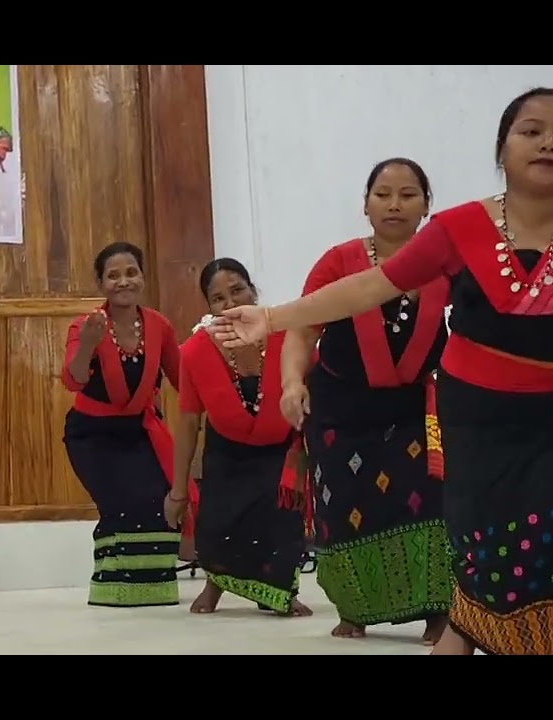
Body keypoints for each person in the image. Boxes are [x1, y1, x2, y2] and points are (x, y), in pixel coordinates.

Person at [213, 87, 553, 656]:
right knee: (487, 546)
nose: (547, 143)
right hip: (480, 421)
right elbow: (371, 286)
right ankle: (464, 631)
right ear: (501, 149)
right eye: (531, 130)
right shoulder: (460, 228)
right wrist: (271, 318)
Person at [277, 158, 454, 644]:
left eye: (408, 193)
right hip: (342, 411)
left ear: (426, 205)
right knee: (345, 508)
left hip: (415, 412)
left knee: (431, 505)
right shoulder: (338, 262)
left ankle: (438, 612)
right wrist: (292, 384)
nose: (395, 204)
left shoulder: (446, 264)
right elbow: (300, 330)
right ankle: (355, 609)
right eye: (383, 193)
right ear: (366, 204)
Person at [170, 258, 312, 617]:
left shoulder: (286, 335)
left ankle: (280, 593)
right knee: (220, 525)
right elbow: (188, 421)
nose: (230, 303)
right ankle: (214, 585)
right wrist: (178, 489)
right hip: (227, 454)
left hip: (280, 450)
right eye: (218, 298)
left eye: (237, 290)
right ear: (209, 307)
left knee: (281, 525)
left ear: (253, 289)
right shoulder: (194, 351)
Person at [61, 242, 195, 608]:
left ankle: (154, 591)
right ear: (101, 283)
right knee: (122, 505)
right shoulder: (86, 324)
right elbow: (73, 379)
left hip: (139, 432)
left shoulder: (159, 326)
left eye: (131, 272)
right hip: (91, 434)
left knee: (160, 502)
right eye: (113, 275)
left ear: (143, 277)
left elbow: (184, 381)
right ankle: (113, 589)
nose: (123, 281)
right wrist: (88, 344)